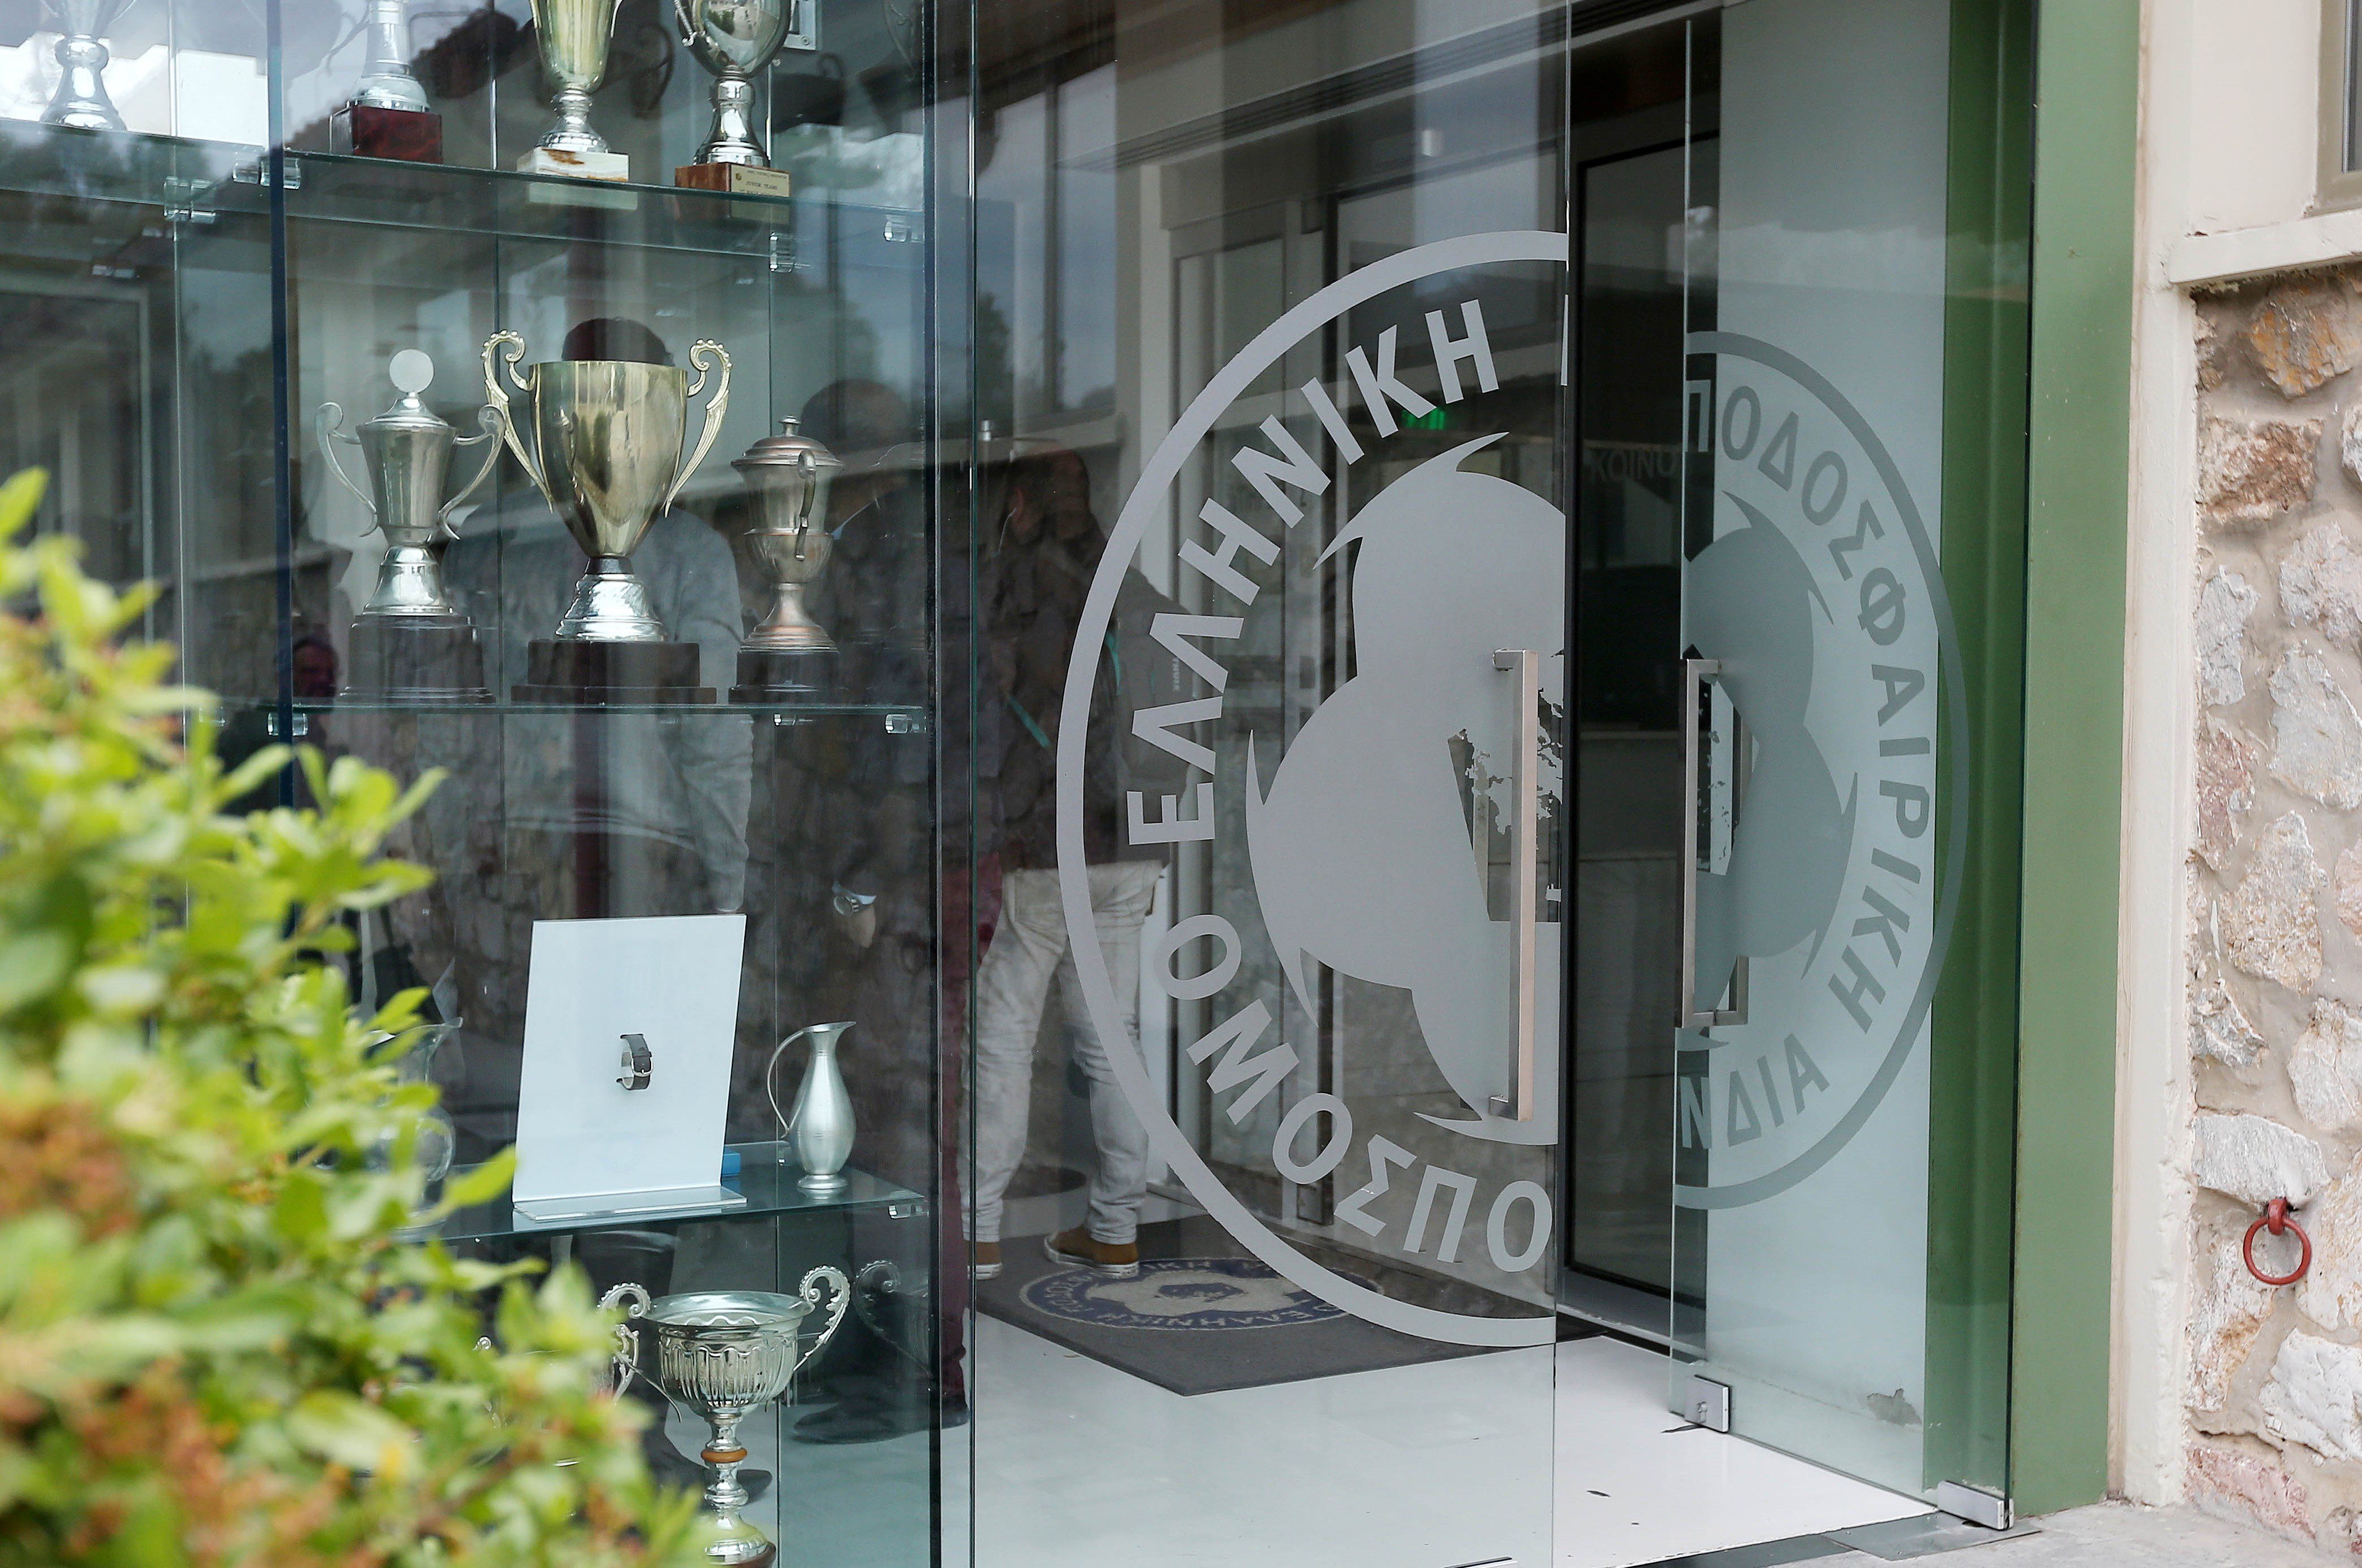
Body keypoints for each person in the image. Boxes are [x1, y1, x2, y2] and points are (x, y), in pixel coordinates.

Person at [967, 443, 1162, 1281]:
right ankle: (1116, 1227)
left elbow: (983, 709)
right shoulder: (1130, 585)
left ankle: (976, 1232)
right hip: (1133, 841)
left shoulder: (1012, 588)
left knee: (1003, 1039)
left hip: (1045, 844)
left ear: (1018, 504)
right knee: (1111, 1041)